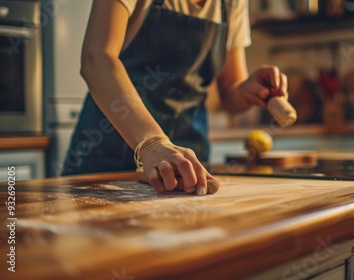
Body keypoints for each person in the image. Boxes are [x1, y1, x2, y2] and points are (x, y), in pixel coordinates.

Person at [61, 0, 289, 196]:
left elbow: (229, 90)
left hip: (186, 172)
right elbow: (96, 58)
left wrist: (247, 91)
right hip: (105, 159)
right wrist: (152, 144)